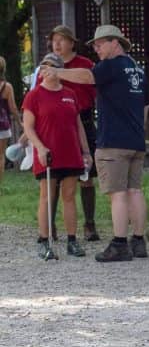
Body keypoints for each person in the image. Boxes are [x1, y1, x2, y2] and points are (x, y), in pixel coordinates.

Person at [45, 24, 149, 262]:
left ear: (115, 43)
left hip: (113, 141)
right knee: (135, 191)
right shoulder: (138, 70)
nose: (97, 49)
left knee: (117, 194)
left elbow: (88, 76)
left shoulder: (110, 66)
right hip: (136, 140)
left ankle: (119, 243)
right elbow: (146, 107)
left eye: (100, 44)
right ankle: (139, 241)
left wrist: (57, 73)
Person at [22, 53, 91, 258]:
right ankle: (43, 240)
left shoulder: (70, 93)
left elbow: (77, 125)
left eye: (51, 65)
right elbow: (28, 128)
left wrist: (85, 150)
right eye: (43, 65)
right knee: (46, 196)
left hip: (70, 153)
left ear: (59, 70)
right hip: (48, 154)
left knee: (69, 196)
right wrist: (40, 148)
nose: (46, 69)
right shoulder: (34, 96)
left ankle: (72, 240)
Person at [49, 25, 101, 241]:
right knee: (53, 178)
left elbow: (95, 91)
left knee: (86, 176)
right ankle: (49, 225)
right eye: (54, 40)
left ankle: (89, 224)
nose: (57, 44)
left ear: (72, 42)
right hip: (55, 126)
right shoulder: (48, 65)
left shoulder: (85, 65)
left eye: (62, 40)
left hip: (83, 121)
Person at [0, 55, 20, 188]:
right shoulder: (7, 87)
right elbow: (13, 108)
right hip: (2, 126)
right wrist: (20, 122)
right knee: (0, 156)